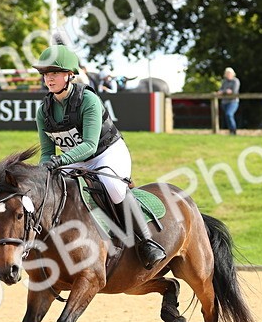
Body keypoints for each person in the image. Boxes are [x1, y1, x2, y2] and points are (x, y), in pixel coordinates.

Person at [32, 44, 166, 269]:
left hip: (107, 153)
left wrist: (60, 161)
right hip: (74, 159)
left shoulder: (88, 100)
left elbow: (90, 145)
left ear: (69, 75)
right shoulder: (43, 111)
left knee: (113, 187)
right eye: (46, 73)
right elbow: (47, 153)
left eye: (54, 72)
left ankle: (147, 242)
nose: (49, 78)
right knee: (53, 187)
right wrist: (43, 173)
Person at [219, 67, 240, 135]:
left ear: (232, 74)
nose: (228, 74)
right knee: (227, 116)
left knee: (229, 114)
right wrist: (226, 91)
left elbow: (234, 91)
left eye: (229, 73)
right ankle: (231, 131)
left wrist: (223, 92)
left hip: (233, 102)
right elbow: (220, 90)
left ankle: (233, 131)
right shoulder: (224, 81)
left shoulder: (236, 81)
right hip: (224, 102)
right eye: (227, 73)